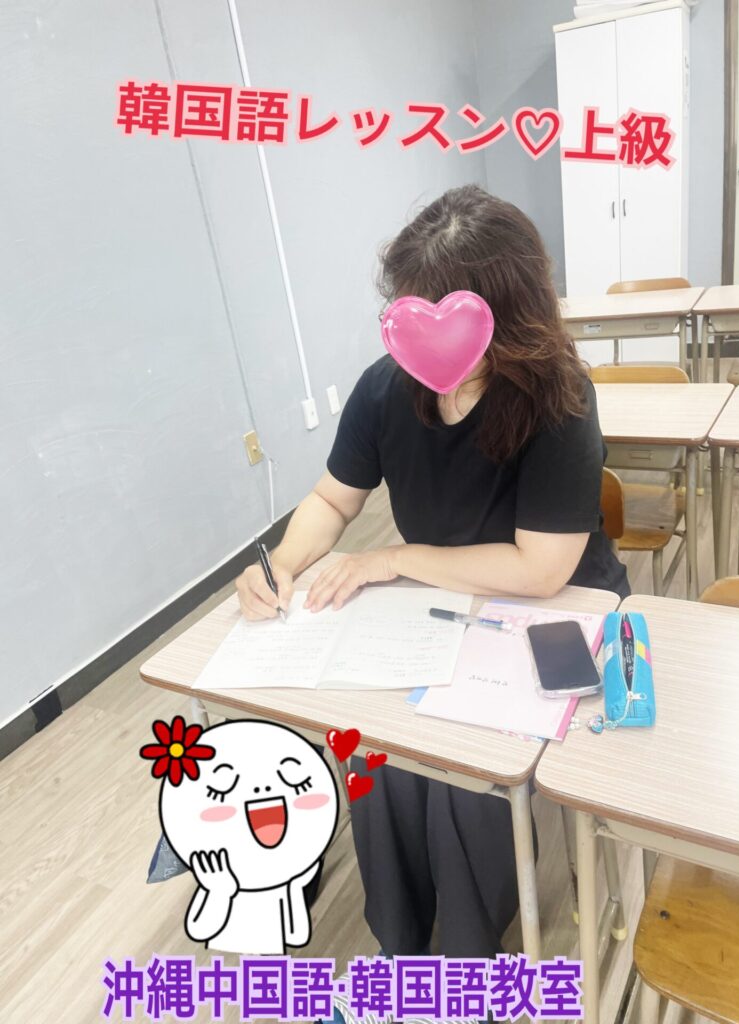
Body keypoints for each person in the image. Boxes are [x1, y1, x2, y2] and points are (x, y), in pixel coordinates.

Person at [236, 184, 630, 961]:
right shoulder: (386, 389)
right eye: (411, 316)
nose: (424, 341)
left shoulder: (558, 397)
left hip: (557, 610)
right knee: (376, 755)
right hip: (438, 607)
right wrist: (280, 565)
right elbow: (332, 498)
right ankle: (402, 947)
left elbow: (542, 568)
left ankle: (467, 958)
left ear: (509, 316)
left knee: (463, 777)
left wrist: (392, 559)